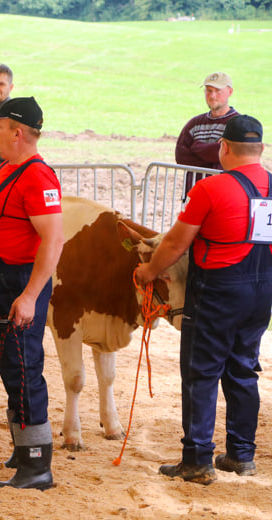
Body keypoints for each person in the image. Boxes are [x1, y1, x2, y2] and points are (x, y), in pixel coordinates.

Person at [136, 115, 271, 486]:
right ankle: (242, 455)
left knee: (201, 373)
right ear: (260, 149)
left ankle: (197, 459)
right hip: (261, 292)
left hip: (217, 291)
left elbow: (177, 243)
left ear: (224, 148)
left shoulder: (210, 189)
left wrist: (148, 272)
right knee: (244, 370)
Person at [0, 96, 63, 491]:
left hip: (18, 285)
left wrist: (28, 296)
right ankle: (22, 450)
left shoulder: (38, 177)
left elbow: (53, 240)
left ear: (18, 132)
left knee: (24, 371)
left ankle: (37, 466)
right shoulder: (10, 169)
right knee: (13, 369)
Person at [175, 72, 240, 197]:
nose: (212, 95)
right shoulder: (194, 124)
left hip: (224, 195)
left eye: (218, 91)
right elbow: (181, 157)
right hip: (194, 194)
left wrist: (196, 147)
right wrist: (214, 153)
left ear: (230, 92)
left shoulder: (238, 124)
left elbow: (231, 157)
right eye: (209, 90)